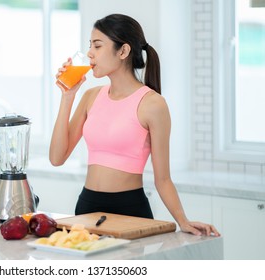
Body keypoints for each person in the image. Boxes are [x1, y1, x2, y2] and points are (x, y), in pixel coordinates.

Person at [49, 14, 220, 237]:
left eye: (98, 46)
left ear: (123, 51)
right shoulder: (90, 96)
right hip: (86, 207)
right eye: (89, 45)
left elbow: (163, 179)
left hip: (130, 209)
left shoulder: (153, 104)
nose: (90, 53)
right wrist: (67, 97)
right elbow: (56, 157)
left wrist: (183, 221)